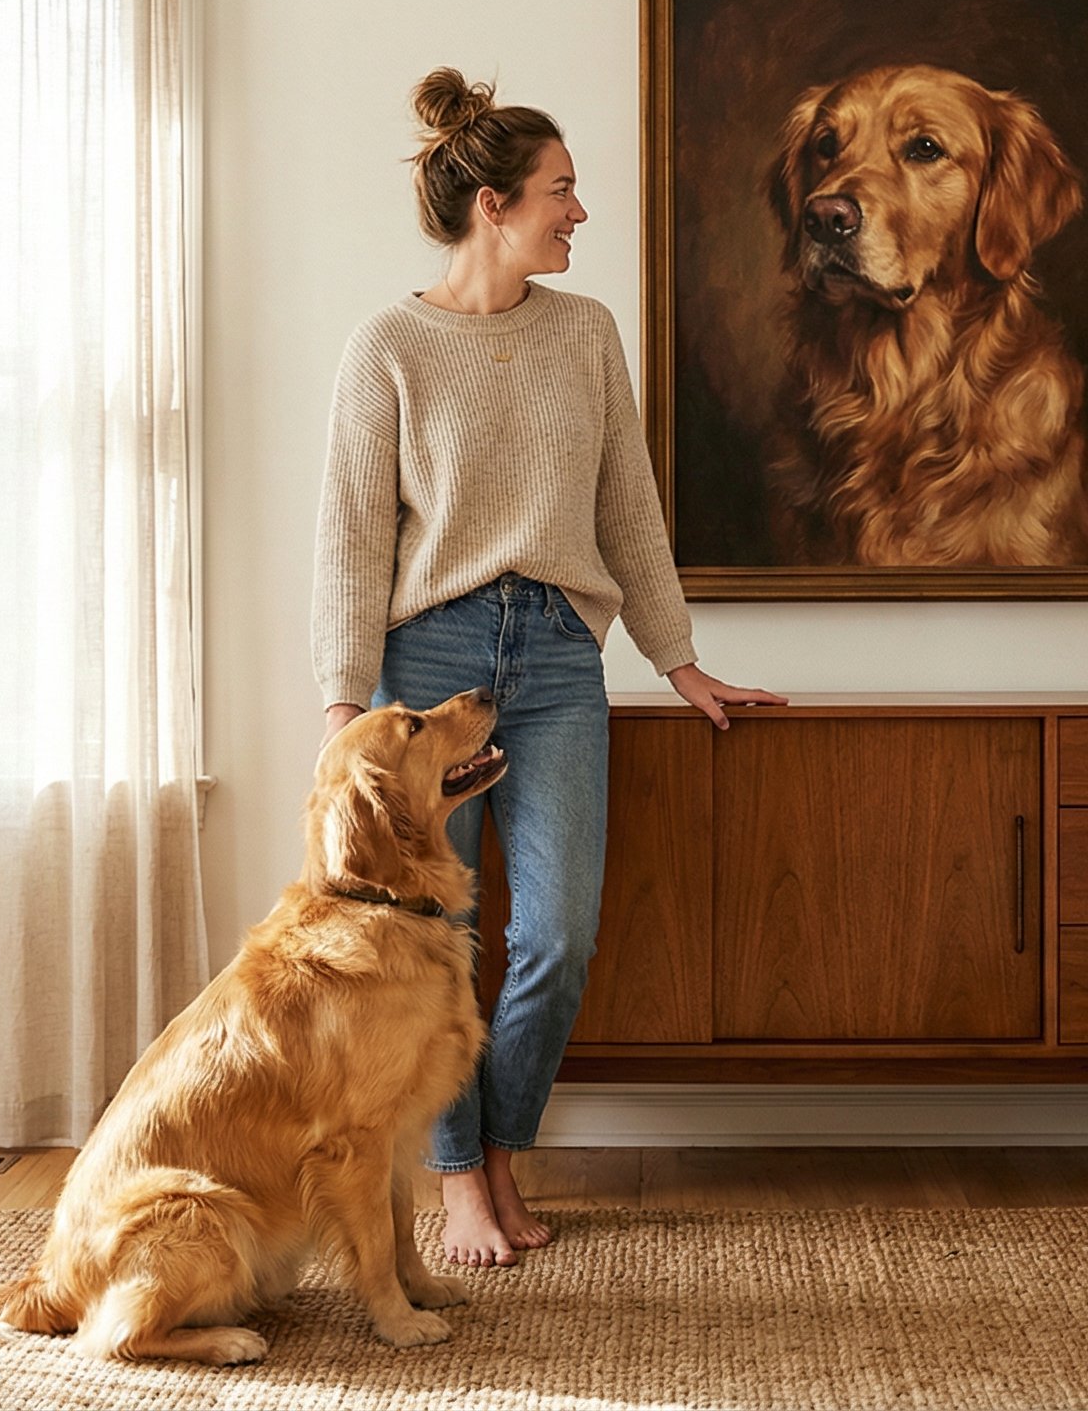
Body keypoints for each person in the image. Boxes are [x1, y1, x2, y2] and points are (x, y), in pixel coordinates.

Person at [311, 68, 783, 1268]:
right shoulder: (388, 346)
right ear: (495, 206)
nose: (579, 212)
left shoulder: (585, 333)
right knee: (430, 941)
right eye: (560, 191)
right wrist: (346, 708)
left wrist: (678, 660)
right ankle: (457, 1180)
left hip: (561, 657)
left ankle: (500, 1153)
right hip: (429, 667)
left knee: (558, 934)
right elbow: (354, 535)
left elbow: (628, 506)